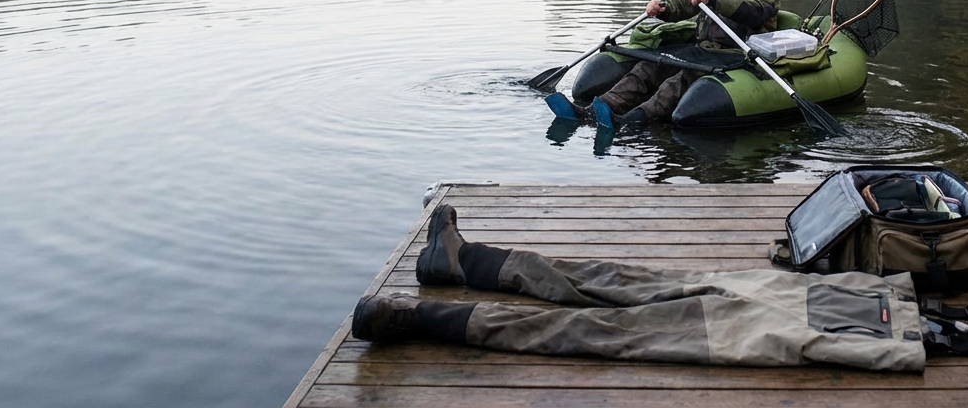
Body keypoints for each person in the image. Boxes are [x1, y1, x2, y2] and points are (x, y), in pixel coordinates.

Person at [349, 203, 928, 371]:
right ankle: (461, 261)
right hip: (815, 301)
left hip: (768, 331)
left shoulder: (918, 342)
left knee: (596, 330)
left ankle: (417, 318)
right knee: (618, 280)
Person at [547, 0, 779, 127]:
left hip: (737, 52)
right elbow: (682, 3)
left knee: (680, 80)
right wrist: (663, 8)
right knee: (649, 67)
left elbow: (758, 11)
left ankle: (632, 120)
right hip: (704, 49)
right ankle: (597, 109)